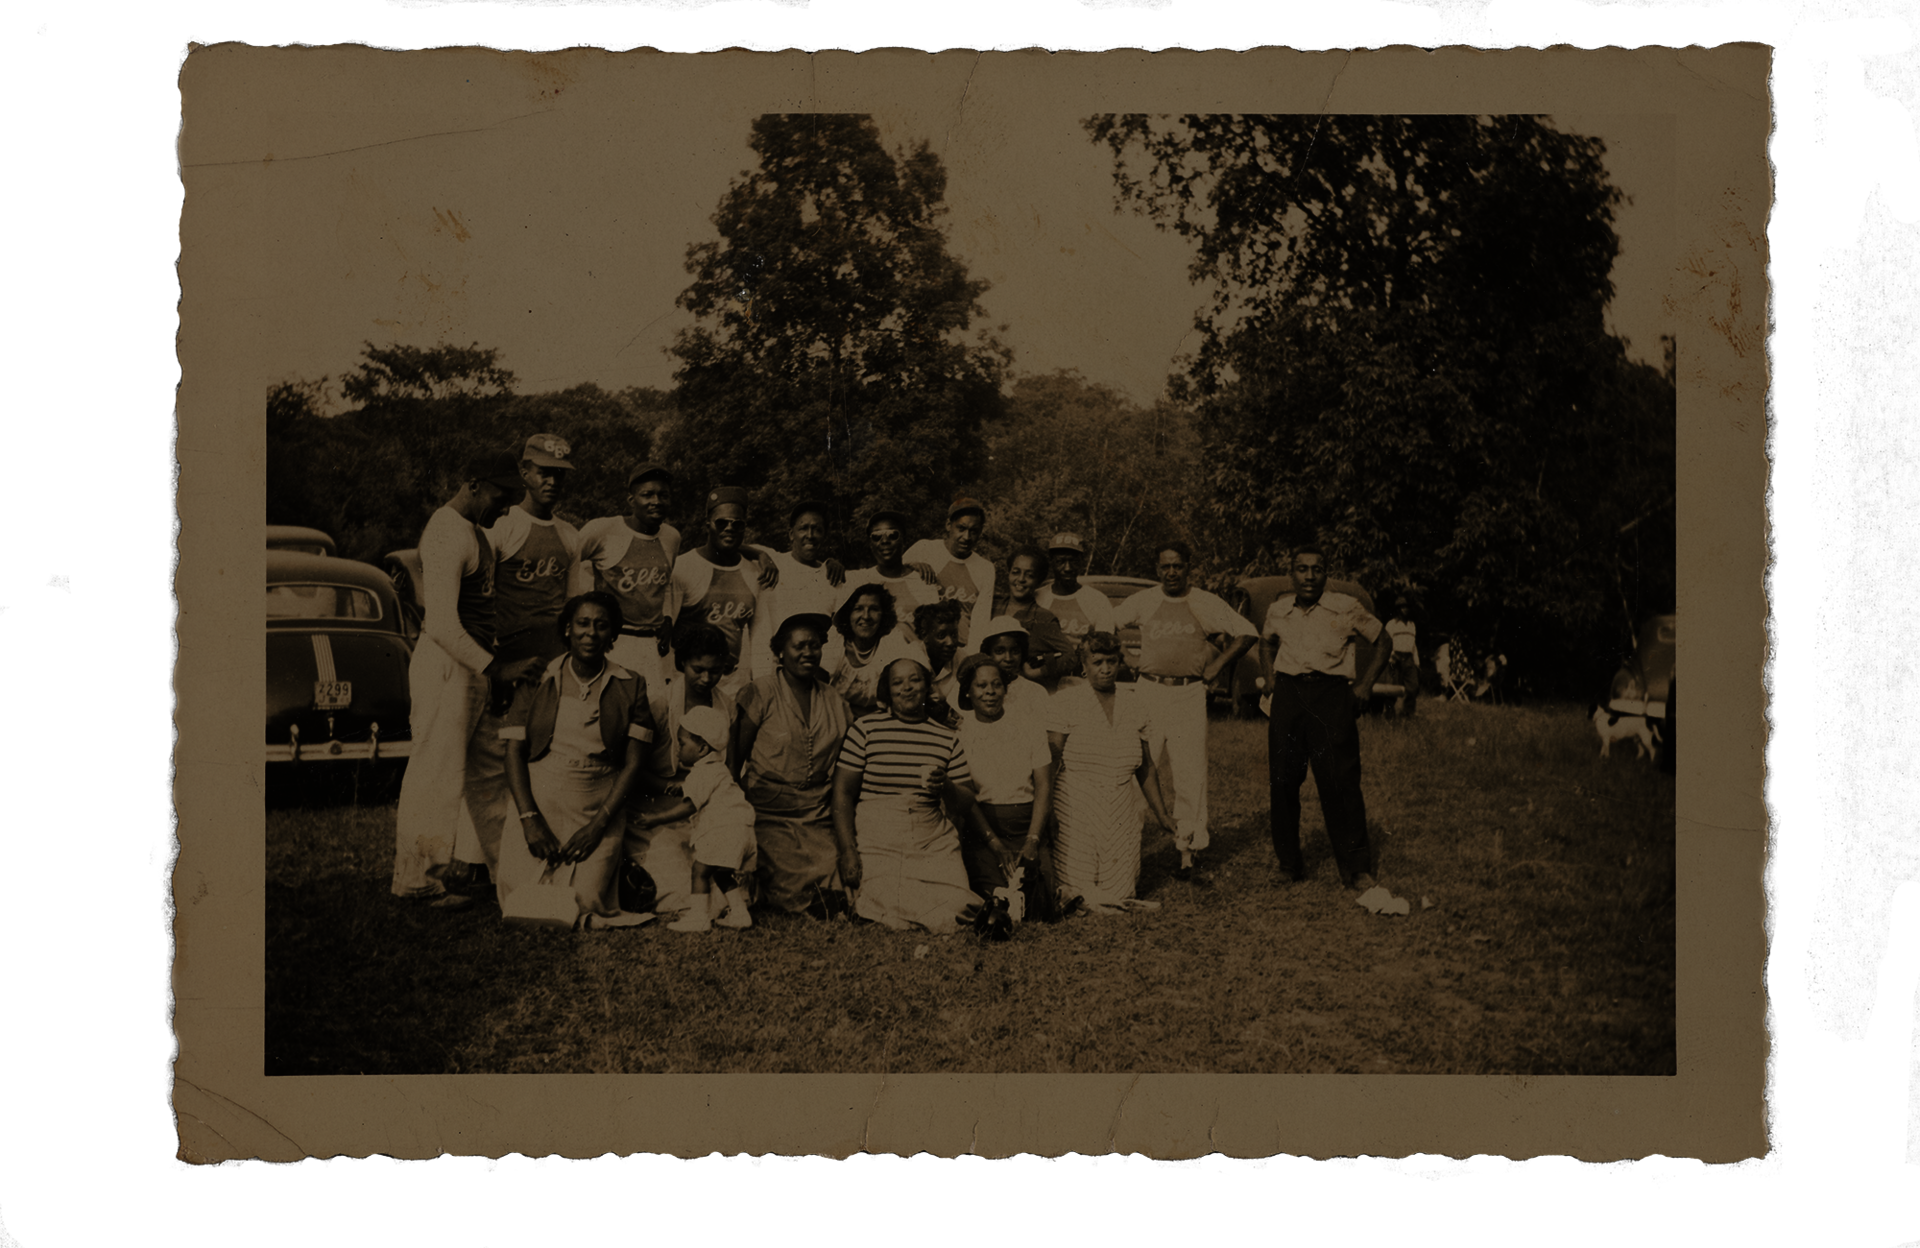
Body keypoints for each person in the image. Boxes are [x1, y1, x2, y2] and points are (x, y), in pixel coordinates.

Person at [391, 451, 543, 903]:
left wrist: (490, 671)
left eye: (515, 499)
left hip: (472, 665)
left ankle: (511, 878)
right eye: (501, 496)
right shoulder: (445, 531)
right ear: (473, 484)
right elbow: (439, 623)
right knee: (436, 774)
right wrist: (498, 668)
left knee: (492, 775)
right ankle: (416, 880)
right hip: (444, 666)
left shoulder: (475, 529)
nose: (506, 508)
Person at [443, 433, 584, 898]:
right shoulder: (501, 527)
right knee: (497, 759)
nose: (551, 482)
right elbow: (480, 601)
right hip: (506, 660)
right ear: (523, 472)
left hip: (550, 661)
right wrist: (497, 664)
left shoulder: (569, 535)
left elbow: (571, 606)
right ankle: (469, 864)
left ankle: (511, 863)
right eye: (543, 471)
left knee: (537, 756)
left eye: (560, 474)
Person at [495, 592, 656, 927]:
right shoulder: (537, 677)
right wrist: (529, 820)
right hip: (539, 800)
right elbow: (513, 751)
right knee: (518, 895)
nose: (591, 633)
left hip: (597, 806)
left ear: (613, 635)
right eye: (582, 623)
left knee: (586, 900)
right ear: (567, 628)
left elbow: (633, 764)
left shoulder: (632, 684)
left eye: (602, 626)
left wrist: (596, 828)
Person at [1112, 541, 1257, 880]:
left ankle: (1187, 852)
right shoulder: (1145, 600)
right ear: (1157, 569)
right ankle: (1126, 846)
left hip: (1188, 693)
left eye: (1178, 566)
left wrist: (1219, 662)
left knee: (1190, 773)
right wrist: (1125, 657)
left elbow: (1248, 632)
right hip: (1147, 690)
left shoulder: (1204, 602)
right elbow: (1106, 622)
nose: (1172, 572)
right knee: (1138, 767)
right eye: (1165, 566)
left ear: (1189, 566)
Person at [830, 635, 995, 931]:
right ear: (887, 691)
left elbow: (965, 802)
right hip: (878, 836)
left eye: (914, 680)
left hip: (932, 841)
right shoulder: (865, 729)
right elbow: (842, 792)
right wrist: (848, 851)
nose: (907, 688)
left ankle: (904, 915)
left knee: (958, 900)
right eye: (898, 683)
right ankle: (918, 914)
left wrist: (945, 785)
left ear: (927, 686)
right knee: (880, 891)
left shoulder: (946, 738)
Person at [1256, 543, 1392, 891]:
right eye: (1302, 569)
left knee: (1341, 782)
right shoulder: (1278, 609)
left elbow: (1383, 641)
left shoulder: (1345, 607)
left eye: (1317, 569)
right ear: (1292, 574)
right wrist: (1270, 678)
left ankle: (1356, 868)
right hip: (1289, 695)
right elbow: (1266, 642)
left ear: (1326, 573)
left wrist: (1364, 686)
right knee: (1284, 781)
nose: (1310, 576)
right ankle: (1289, 864)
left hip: (1332, 695)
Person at [735, 612, 854, 915]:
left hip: (817, 811)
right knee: (786, 879)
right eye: (799, 646)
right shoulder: (759, 692)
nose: (808, 653)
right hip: (768, 809)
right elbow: (734, 759)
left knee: (835, 872)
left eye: (814, 646)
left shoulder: (834, 700)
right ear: (779, 651)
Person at [1046, 632, 1173, 913]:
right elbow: (1051, 760)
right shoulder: (1065, 701)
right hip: (1075, 804)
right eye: (1097, 662)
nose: (1105, 669)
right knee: (1077, 888)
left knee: (1120, 889)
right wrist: (1047, 812)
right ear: (1084, 664)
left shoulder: (1135, 704)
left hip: (1119, 803)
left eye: (1112, 662)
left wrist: (1163, 815)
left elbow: (1146, 766)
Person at [626, 619, 740, 917]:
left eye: (714, 671)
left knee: (727, 879)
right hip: (660, 804)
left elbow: (730, 768)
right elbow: (635, 768)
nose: (706, 678)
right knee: (678, 883)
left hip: (707, 807)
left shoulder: (727, 706)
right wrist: (672, 788)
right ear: (681, 663)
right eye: (697, 669)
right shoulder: (660, 705)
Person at [636, 705, 758, 932]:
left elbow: (689, 807)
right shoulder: (717, 769)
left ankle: (699, 917)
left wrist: (656, 818)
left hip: (724, 830)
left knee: (700, 871)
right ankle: (740, 913)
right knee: (722, 873)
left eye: (682, 743)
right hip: (742, 829)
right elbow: (703, 790)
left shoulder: (701, 773)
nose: (678, 748)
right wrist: (682, 788)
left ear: (702, 748)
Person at [954, 653, 1055, 904]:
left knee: (1039, 899)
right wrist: (994, 844)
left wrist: (1033, 840)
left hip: (1027, 826)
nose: (990, 692)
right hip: (983, 830)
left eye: (997, 684)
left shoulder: (1028, 725)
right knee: (996, 899)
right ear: (968, 691)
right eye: (981, 685)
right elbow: (966, 798)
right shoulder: (960, 732)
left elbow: (1043, 786)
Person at [575, 463, 682, 691]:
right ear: (631, 500)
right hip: (615, 642)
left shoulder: (672, 537)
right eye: (647, 495)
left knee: (656, 714)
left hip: (655, 646)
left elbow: (667, 583)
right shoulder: (604, 530)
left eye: (663, 495)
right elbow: (570, 562)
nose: (656, 501)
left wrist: (668, 617)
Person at [667, 485, 771, 697]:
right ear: (708, 524)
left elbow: (761, 637)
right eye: (722, 522)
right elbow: (666, 631)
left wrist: (762, 687)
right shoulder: (683, 567)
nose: (729, 529)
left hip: (733, 683)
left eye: (737, 524)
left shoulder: (754, 573)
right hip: (687, 683)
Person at [745, 501, 847, 682]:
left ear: (824, 535)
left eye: (817, 529)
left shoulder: (833, 577)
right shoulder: (773, 561)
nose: (810, 535)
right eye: (803, 529)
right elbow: (729, 545)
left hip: (814, 674)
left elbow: (836, 635)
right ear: (791, 534)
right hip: (770, 671)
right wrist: (759, 555)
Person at [904, 497, 996, 651]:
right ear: (948, 525)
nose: (966, 537)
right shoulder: (924, 549)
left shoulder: (985, 568)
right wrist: (910, 566)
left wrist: (969, 659)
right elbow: (890, 576)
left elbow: (980, 623)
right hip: (918, 643)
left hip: (957, 648)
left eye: (973, 531)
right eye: (961, 528)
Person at [994, 546, 1078, 691]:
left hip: (1021, 693)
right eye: (1015, 572)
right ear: (1008, 573)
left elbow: (1071, 657)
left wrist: (1038, 671)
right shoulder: (993, 607)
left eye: (1029, 575)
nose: (1021, 579)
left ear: (1038, 581)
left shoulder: (1042, 617)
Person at [1035, 532, 1115, 679]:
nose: (1067, 568)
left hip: (1081, 678)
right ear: (1051, 561)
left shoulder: (1097, 600)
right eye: (1061, 561)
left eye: (1073, 561)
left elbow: (1103, 648)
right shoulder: (1038, 597)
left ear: (1081, 562)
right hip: (1043, 677)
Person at [842, 507, 941, 622]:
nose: (884, 541)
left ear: (904, 539)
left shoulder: (923, 581)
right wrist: (830, 563)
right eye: (876, 536)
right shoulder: (859, 580)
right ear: (870, 544)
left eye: (893, 535)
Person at [823, 583, 907, 718]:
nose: (866, 616)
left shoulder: (891, 641)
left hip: (877, 721)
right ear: (848, 614)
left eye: (874, 609)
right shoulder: (835, 641)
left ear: (883, 614)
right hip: (833, 717)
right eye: (858, 609)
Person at [976, 617, 1051, 717]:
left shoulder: (1035, 692)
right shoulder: (976, 687)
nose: (1008, 658)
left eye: (1015, 651)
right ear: (988, 654)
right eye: (1000, 651)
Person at [910, 599, 966, 716]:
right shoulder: (911, 657)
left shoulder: (962, 660)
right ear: (924, 635)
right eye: (941, 635)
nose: (950, 642)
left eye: (954, 634)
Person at [1383, 597, 1420, 718]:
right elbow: (1386, 643)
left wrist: (1416, 661)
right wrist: (1390, 657)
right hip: (1395, 657)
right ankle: (1389, 712)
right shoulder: (1391, 624)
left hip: (1408, 658)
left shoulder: (1411, 625)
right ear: (1398, 609)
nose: (1405, 610)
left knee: (1413, 687)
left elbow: (1413, 645)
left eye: (1407, 607)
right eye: (1402, 607)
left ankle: (1407, 712)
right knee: (1392, 687)